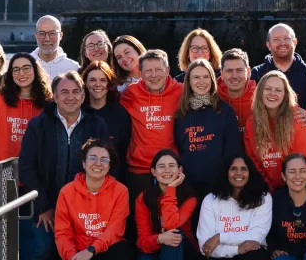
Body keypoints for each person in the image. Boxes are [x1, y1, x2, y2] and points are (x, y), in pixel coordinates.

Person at [19, 72, 110, 260]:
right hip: (46, 204)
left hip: (85, 207)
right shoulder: (38, 125)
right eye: (64, 92)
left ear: (83, 95)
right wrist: (44, 206)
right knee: (42, 247)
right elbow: (27, 167)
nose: (71, 97)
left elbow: (106, 164)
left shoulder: (96, 124)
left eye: (76, 91)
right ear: (55, 96)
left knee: (88, 249)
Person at [49, 139, 132, 260]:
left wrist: (92, 250)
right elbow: (62, 233)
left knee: (121, 254)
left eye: (104, 160)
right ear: (83, 162)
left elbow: (115, 229)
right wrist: (73, 257)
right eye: (93, 158)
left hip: (104, 249)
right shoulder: (67, 191)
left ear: (110, 166)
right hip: (77, 252)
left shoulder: (120, 191)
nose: (98, 163)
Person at [197, 155, 274, 260]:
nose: (239, 173)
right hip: (222, 257)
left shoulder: (263, 198)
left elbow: (256, 237)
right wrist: (237, 249)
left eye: (243, 169)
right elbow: (204, 246)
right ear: (226, 172)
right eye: (233, 169)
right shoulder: (210, 200)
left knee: (254, 257)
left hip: (250, 257)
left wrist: (220, 237)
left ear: (250, 173)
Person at [134, 148, 199, 260]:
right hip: (156, 245)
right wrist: (159, 238)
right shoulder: (143, 198)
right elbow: (142, 241)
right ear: (153, 172)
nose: (167, 170)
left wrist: (170, 190)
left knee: (174, 236)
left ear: (180, 170)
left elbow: (171, 223)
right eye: (161, 167)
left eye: (172, 166)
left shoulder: (189, 197)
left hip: (183, 249)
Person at [173, 59, 244, 194]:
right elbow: (178, 147)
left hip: (218, 185)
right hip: (188, 186)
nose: (201, 81)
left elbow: (232, 149)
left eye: (206, 77)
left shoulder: (224, 111)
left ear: (212, 80)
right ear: (188, 81)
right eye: (196, 77)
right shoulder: (181, 114)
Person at [119, 49, 183, 198]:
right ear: (140, 73)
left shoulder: (181, 92)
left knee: (171, 217)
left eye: (158, 70)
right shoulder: (130, 93)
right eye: (148, 71)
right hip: (139, 170)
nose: (154, 75)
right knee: (140, 219)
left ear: (167, 70)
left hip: (172, 171)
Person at [243, 71, 306, 190]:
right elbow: (254, 161)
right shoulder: (251, 123)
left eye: (278, 90)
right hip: (272, 188)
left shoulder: (298, 119)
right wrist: (268, 188)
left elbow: (298, 164)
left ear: (285, 95)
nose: (272, 94)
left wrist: (282, 196)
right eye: (268, 89)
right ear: (260, 92)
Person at [0, 53, 50, 164]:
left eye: (26, 68)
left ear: (35, 70)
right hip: (4, 172)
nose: (21, 73)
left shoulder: (48, 102)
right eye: (16, 70)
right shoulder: (0, 100)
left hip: (37, 174)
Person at [251, 23, 306, 109]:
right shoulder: (257, 73)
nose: (282, 43)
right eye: (276, 39)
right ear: (268, 45)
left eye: (286, 38)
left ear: (295, 42)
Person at [82, 60, 132, 173]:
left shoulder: (120, 113)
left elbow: (124, 151)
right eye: (92, 80)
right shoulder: (78, 112)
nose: (97, 84)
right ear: (85, 82)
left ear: (109, 84)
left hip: (113, 179)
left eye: (103, 80)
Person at [217, 48, 257, 135]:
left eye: (239, 70)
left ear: (248, 72)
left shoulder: (260, 96)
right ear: (222, 74)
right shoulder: (213, 97)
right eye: (229, 71)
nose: (234, 76)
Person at [32, 15, 79, 79]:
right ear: (36, 36)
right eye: (42, 33)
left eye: (52, 33)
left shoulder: (73, 68)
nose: (47, 39)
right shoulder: (25, 65)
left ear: (61, 36)